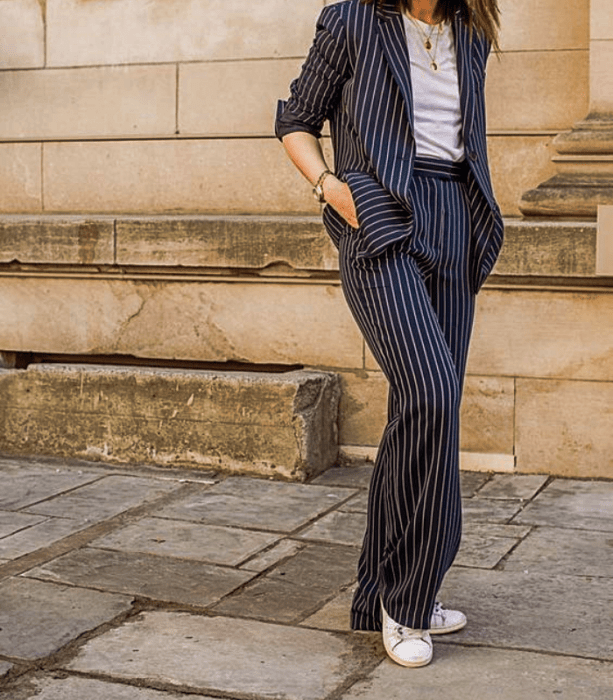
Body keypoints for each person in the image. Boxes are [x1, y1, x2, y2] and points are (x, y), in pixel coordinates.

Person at [275, 0, 502, 668]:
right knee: (430, 394)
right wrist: (330, 187)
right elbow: (294, 119)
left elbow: (459, 139)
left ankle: (383, 587)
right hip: (379, 216)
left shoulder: (471, 32)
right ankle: (406, 606)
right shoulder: (350, 20)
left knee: (422, 409)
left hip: (454, 217)